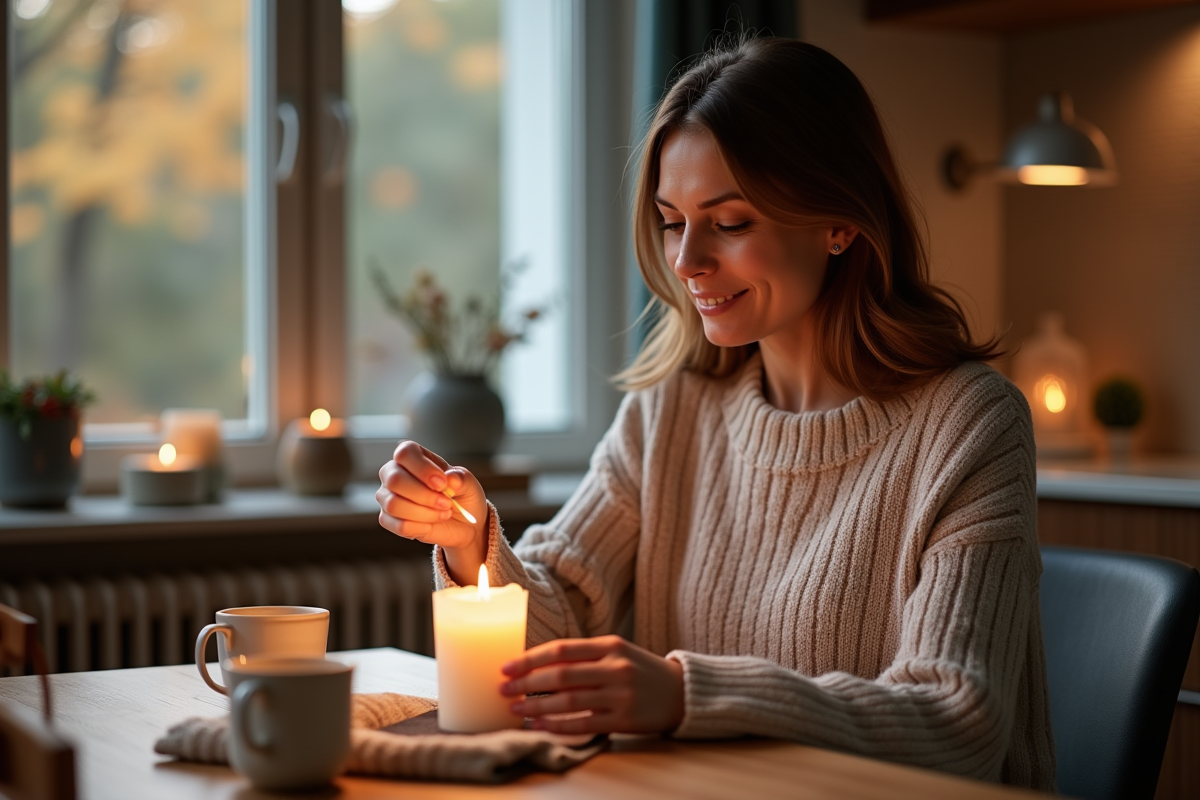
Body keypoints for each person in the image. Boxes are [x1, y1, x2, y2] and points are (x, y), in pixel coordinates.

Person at [376, 37, 1056, 791]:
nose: (687, 260)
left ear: (839, 222)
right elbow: (559, 617)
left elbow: (957, 721)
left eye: (729, 223)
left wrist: (683, 694)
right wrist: (470, 541)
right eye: (673, 221)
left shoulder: (969, 424)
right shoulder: (671, 410)